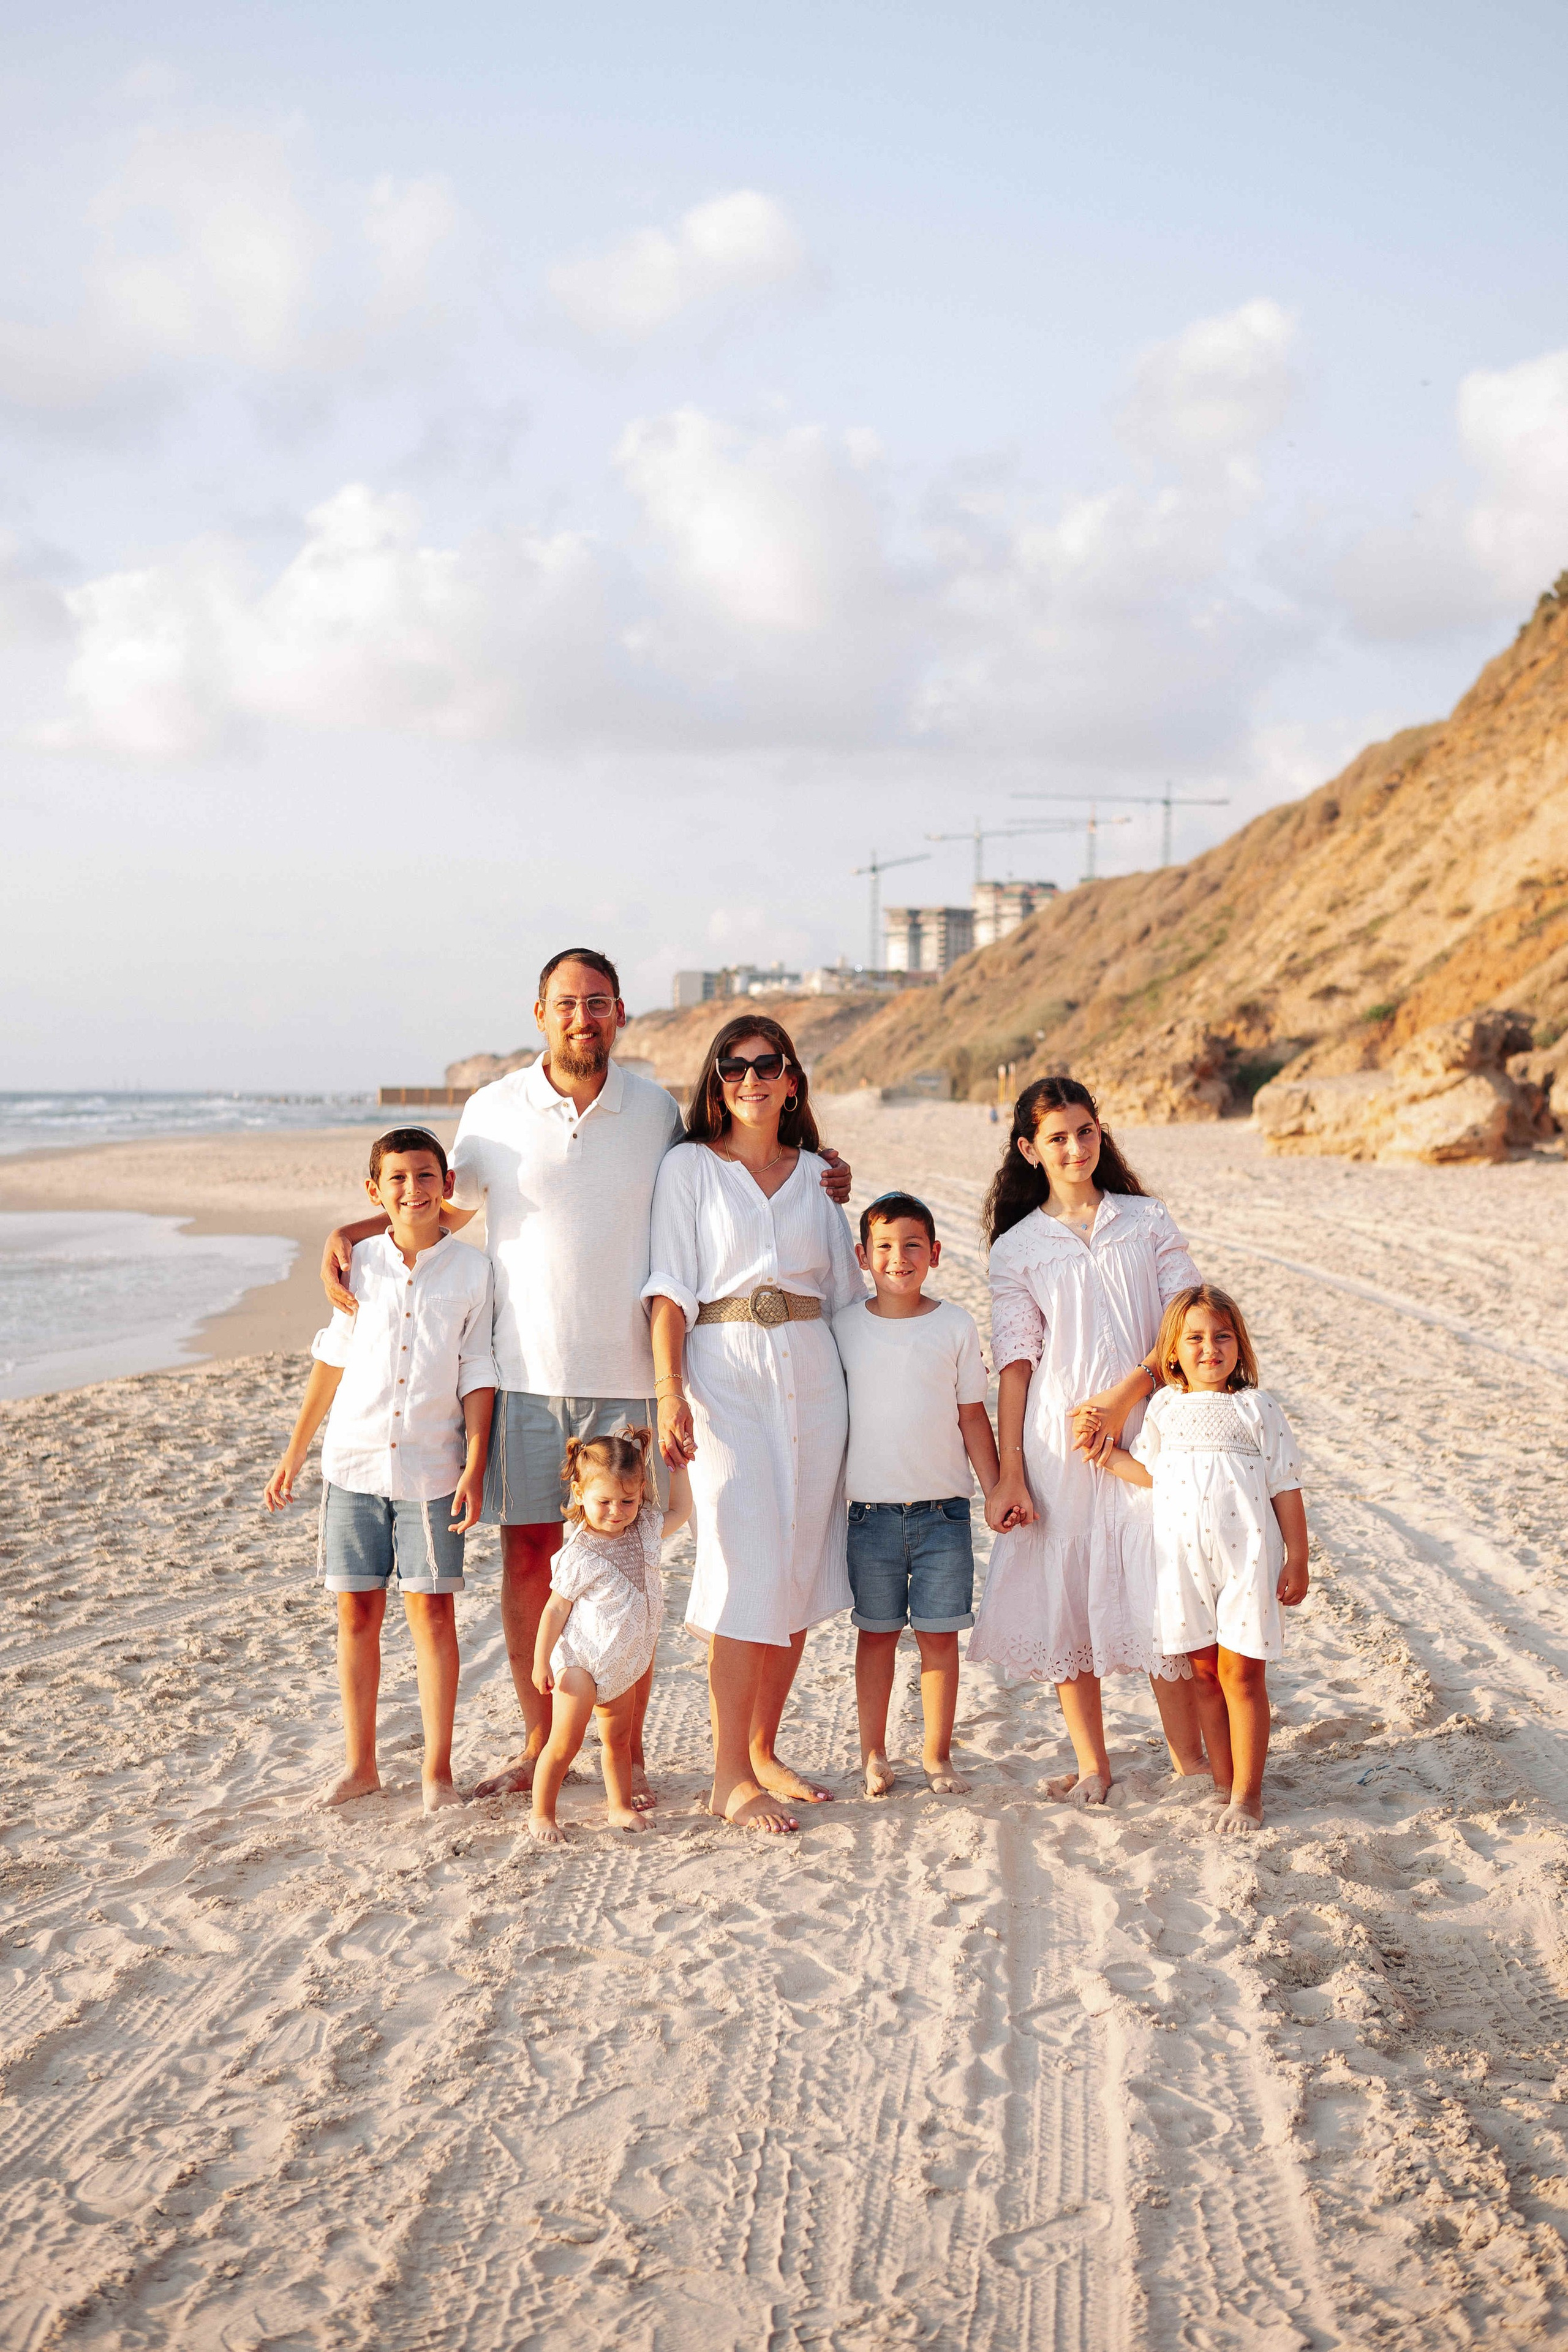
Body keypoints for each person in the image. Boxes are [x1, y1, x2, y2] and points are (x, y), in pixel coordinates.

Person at [320, 949, 853, 1802]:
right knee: (532, 1558)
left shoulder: (653, 1114)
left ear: (621, 1014)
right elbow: (440, 1210)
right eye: (567, 1004)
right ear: (539, 1013)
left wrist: (829, 1171)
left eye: (598, 1003)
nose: (583, 1017)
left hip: (629, 1375)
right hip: (524, 1371)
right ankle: (544, 1746)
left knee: (632, 1566)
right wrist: (354, 1231)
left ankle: (625, 1753)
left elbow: (735, 1164)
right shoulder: (492, 1108)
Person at [646, 1015, 865, 1833]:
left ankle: (765, 1750)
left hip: (814, 1377)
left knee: (801, 1567)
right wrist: (670, 1392)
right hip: (723, 1376)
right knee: (744, 1561)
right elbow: (669, 1286)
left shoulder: (818, 1178)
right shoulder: (689, 1170)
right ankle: (728, 1776)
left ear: (792, 1080)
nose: (750, 1079)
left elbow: (847, 1295)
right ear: (715, 1083)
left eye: (766, 1065)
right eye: (733, 1068)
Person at [973, 1076, 1209, 1805]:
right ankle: (1093, 1765)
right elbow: (1016, 1368)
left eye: (1084, 1131)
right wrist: (1009, 1473)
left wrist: (1121, 1397)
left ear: (1099, 1133)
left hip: (1152, 1425)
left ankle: (1190, 1765)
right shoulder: (1016, 1249)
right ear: (1029, 1150)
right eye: (1057, 1137)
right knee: (1066, 1600)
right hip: (1060, 1444)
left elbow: (1184, 1325)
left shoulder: (1145, 1220)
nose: (1075, 1148)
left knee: (1162, 1589)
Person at [266, 1129, 496, 1814]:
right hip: (353, 1465)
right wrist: (294, 1450)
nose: (412, 1191)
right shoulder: (357, 1265)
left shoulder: (474, 1272)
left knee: (431, 1615)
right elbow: (331, 1359)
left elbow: (478, 1370)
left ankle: (437, 1771)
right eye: (396, 1179)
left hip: (433, 1469)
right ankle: (360, 1765)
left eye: (424, 1176)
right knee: (356, 1613)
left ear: (446, 1184)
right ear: (375, 1192)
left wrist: (477, 1461)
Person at [1097, 1284, 1308, 1833]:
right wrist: (1105, 1454)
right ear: (1172, 1352)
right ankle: (1221, 1782)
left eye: (1221, 1336)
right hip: (1181, 1562)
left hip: (1249, 1562)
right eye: (1194, 1338)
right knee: (1205, 1674)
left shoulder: (1255, 1406)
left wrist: (1298, 1557)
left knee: (1242, 1676)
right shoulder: (1165, 1405)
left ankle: (1248, 1795)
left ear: (1239, 1345)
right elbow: (1152, 1474)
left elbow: (1285, 1485)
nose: (1209, 1347)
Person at [832, 1191, 999, 1798]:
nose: (897, 1258)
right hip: (869, 1516)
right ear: (862, 1256)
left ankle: (936, 1756)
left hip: (943, 1516)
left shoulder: (954, 1324)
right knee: (875, 1636)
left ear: (933, 1253)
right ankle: (873, 1754)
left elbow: (973, 1417)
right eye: (883, 1247)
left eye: (910, 1246)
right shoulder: (843, 1326)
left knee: (937, 1637)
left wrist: (997, 1486)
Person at [528, 1429, 692, 1842]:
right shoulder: (580, 1553)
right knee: (563, 1743)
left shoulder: (644, 1531)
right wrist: (540, 1661)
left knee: (618, 1741)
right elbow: (555, 1609)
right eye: (604, 1502)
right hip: (581, 1662)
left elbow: (681, 1511)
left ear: (641, 1492)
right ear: (580, 1494)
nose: (617, 1511)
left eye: (628, 1501)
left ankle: (618, 1808)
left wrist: (682, 1470)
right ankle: (542, 1814)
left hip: (623, 1660)